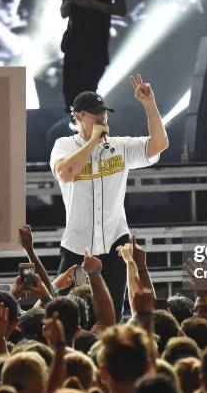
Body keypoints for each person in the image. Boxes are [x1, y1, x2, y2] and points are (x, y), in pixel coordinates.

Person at [50, 75, 169, 319]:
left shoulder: (119, 146)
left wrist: (150, 104)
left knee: (113, 314)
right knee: (66, 314)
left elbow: (159, 144)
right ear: (78, 115)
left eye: (104, 113)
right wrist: (93, 140)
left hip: (116, 241)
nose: (102, 118)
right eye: (96, 114)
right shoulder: (64, 145)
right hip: (77, 243)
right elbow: (65, 173)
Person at [59, 0, 127, 112]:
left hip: (96, 46)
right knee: (69, 93)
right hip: (73, 45)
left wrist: (94, 4)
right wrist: (70, 0)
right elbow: (63, 13)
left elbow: (121, 9)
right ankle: (77, 125)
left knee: (88, 91)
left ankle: (88, 126)